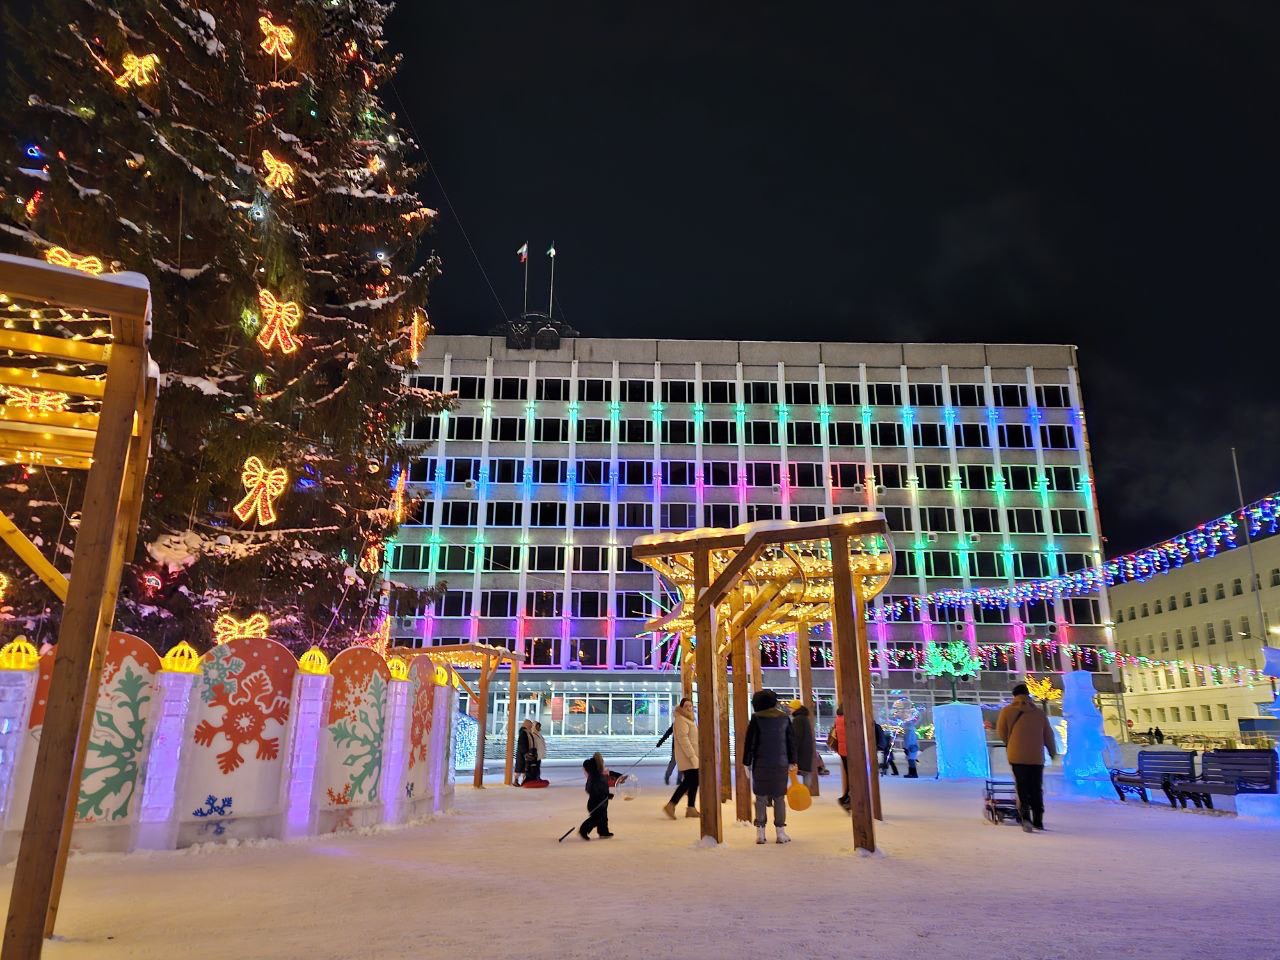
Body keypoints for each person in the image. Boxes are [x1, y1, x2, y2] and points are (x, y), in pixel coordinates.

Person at [996, 682, 1057, 832]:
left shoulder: (1007, 711)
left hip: (1017, 756)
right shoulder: (1038, 713)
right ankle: (1038, 820)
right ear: (1028, 695)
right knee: (1036, 788)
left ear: (1014, 695)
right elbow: (1048, 735)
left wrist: (1010, 743)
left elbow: (1001, 731)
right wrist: (1052, 751)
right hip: (1036, 757)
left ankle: (1026, 818)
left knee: (1022, 787)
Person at [743, 690, 796, 844]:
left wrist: (746, 762)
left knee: (760, 798)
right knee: (779, 798)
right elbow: (791, 742)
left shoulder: (756, 718)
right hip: (780, 764)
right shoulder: (784, 718)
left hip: (760, 764)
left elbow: (750, 743)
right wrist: (792, 760)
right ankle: (780, 832)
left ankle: (760, 833)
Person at [663, 698, 699, 819]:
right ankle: (671, 804)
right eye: (686, 706)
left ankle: (691, 808)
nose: (689, 708)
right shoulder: (681, 720)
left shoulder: (689, 720)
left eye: (691, 705)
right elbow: (684, 740)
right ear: (682, 707)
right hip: (687, 756)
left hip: (691, 756)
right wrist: (692, 756)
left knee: (694, 780)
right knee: (689, 781)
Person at [578, 753, 617, 840]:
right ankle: (583, 830)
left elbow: (600, 788)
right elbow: (594, 789)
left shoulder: (596, 775)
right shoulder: (596, 777)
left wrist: (606, 795)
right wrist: (606, 795)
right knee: (596, 818)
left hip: (601, 801)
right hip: (596, 802)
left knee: (603, 818)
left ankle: (603, 832)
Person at [787, 699, 818, 793]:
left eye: (791, 708)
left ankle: (802, 792)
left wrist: (792, 750)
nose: (789, 710)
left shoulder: (798, 719)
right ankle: (806, 791)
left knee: (797, 770)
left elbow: (796, 736)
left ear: (795, 708)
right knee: (806, 771)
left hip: (801, 750)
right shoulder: (804, 718)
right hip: (806, 748)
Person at [829, 705, 850, 811]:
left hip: (843, 751)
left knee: (849, 774)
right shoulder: (849, 718)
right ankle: (848, 798)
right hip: (851, 750)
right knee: (853, 776)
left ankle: (846, 796)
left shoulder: (838, 718)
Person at [513, 719, 533, 787]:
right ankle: (516, 781)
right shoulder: (523, 732)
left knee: (524, 768)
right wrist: (525, 752)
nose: (531, 726)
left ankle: (523, 781)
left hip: (524, 753)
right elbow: (522, 743)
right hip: (522, 753)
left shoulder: (527, 732)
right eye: (530, 725)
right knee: (520, 767)